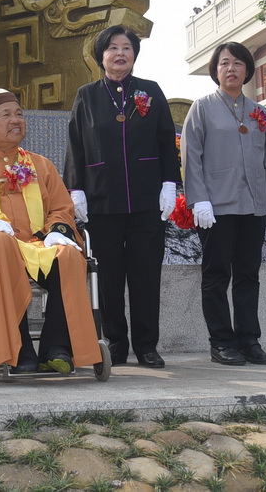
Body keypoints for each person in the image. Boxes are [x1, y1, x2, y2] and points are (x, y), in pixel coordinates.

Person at [0, 89, 100, 373]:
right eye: (6, 115)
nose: (16, 120)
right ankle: (18, 347)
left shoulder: (42, 165)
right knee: (0, 242)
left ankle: (56, 348)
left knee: (68, 254)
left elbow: (60, 208)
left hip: (37, 243)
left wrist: (56, 231)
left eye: (19, 114)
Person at [64, 26, 179, 367]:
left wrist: (170, 183)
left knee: (146, 275)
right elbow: (75, 144)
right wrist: (76, 188)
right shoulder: (86, 95)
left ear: (134, 55)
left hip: (146, 199)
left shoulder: (150, 91)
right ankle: (115, 342)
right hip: (102, 199)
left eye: (126, 48)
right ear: (101, 56)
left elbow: (166, 141)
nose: (120, 53)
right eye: (112, 48)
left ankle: (147, 346)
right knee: (108, 276)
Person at [182, 41, 266, 367]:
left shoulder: (260, 112)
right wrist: (199, 200)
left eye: (238, 63)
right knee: (216, 276)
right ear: (215, 70)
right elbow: (191, 157)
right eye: (224, 63)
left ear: (247, 70)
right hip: (216, 208)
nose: (231, 68)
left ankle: (249, 340)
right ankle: (221, 342)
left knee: (248, 275)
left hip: (254, 206)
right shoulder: (202, 108)